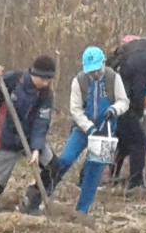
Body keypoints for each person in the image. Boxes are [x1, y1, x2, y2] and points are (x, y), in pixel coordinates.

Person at [50, 46, 128, 212]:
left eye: (97, 70)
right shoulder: (79, 81)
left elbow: (123, 101)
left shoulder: (114, 78)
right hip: (82, 130)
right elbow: (76, 110)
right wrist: (89, 127)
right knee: (65, 160)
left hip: (106, 132)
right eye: (91, 71)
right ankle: (44, 192)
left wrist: (114, 110)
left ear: (104, 64)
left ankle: (82, 210)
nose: (94, 75)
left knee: (94, 170)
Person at [0, 56, 54, 211]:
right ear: (34, 74)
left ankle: (32, 201)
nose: (46, 83)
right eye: (43, 79)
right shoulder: (13, 81)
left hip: (30, 140)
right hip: (5, 141)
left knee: (53, 166)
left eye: (49, 80)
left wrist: (36, 149)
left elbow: (42, 122)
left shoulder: (46, 94)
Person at [111, 34, 146, 188]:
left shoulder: (127, 53)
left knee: (123, 142)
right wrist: (138, 112)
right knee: (139, 141)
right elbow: (138, 90)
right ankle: (135, 183)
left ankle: (113, 174)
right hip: (123, 105)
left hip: (112, 103)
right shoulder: (144, 60)